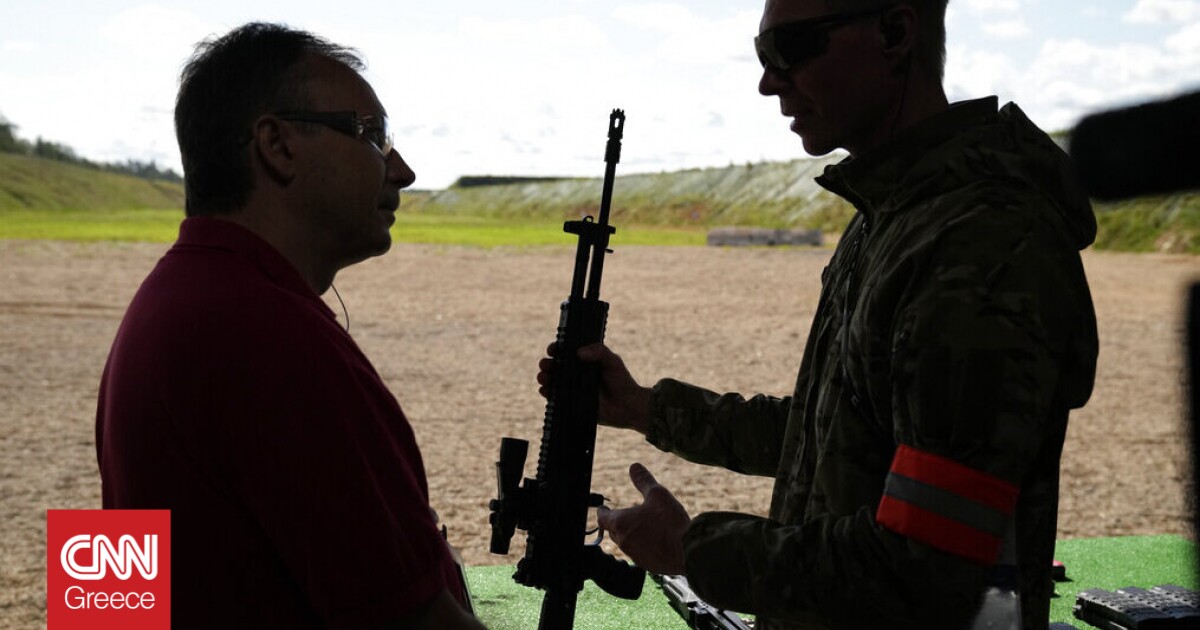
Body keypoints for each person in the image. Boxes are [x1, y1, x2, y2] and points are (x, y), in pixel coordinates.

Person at [539, 0, 1098, 628]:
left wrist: (691, 549)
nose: (768, 80)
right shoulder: (895, 216)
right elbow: (830, 433)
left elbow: (925, 565)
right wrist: (644, 409)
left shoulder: (980, 240)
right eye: (762, 56)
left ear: (894, 31)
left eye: (791, 50)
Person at [95, 23, 484, 629]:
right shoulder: (269, 336)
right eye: (371, 135)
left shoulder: (168, 299)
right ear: (277, 145)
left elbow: (111, 594)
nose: (402, 170)